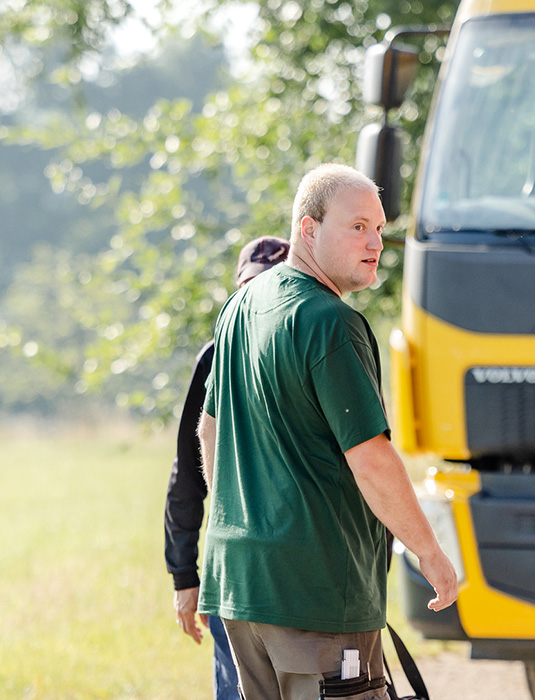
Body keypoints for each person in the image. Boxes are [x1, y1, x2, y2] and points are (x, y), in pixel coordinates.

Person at [198, 164, 461, 700]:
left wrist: (239, 522)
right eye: (357, 226)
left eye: (380, 229)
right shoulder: (329, 322)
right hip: (315, 594)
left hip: (240, 585)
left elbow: (209, 431)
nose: (374, 243)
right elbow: (370, 458)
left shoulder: (241, 307)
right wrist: (429, 552)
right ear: (307, 228)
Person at [166, 235, 291, 700]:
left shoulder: (312, 346)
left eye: (267, 285)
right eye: (247, 287)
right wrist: (184, 576)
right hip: (231, 573)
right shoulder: (214, 357)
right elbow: (187, 473)